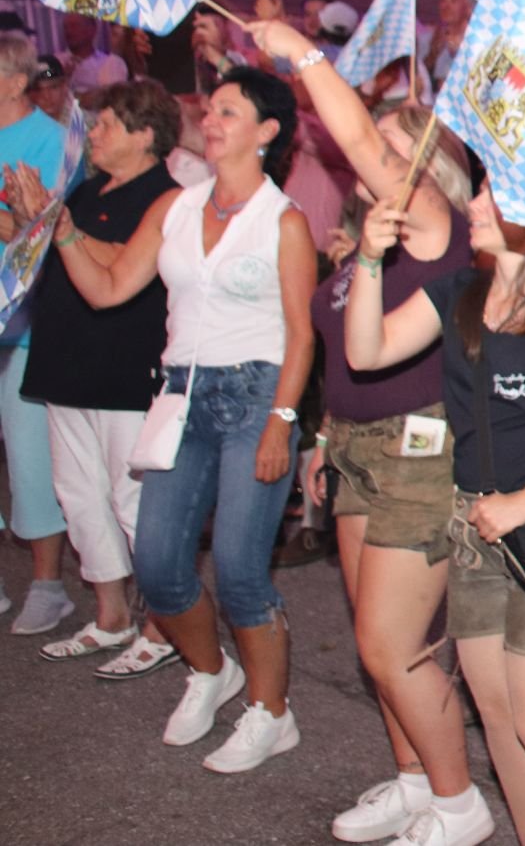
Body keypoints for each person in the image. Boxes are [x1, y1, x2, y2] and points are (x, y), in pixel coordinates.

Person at [245, 18, 491, 844]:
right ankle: (416, 782)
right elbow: (342, 354)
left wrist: (303, 54)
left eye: (391, 146)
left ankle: (459, 804)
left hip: (418, 450)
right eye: (373, 141)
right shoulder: (371, 242)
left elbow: (350, 136)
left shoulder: (437, 228)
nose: (370, 156)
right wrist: (322, 435)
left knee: (392, 646)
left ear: (431, 167)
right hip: (355, 447)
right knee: (373, 638)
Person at [39, 68, 316, 770]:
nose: (211, 120)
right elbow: (109, 288)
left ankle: (271, 712)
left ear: (267, 131)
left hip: (256, 395)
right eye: (210, 109)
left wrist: (281, 420)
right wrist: (63, 231)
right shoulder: (177, 206)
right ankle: (210, 670)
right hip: (180, 396)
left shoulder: (283, 220)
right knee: (159, 564)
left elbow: (301, 333)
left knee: (240, 570)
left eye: (229, 111)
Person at [345, 183, 525, 846]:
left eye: (489, 197)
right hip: (477, 531)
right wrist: (367, 260)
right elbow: (366, 351)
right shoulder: (457, 295)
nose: (472, 207)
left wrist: (522, 504)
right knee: (501, 720)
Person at [10, 82, 180, 677]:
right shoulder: (85, 189)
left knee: (134, 503)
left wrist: (58, 227)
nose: (93, 134)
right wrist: (27, 216)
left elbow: (123, 264)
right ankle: (112, 616)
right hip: (66, 361)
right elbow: (47, 247)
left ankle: (164, 625)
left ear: (146, 135)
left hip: (123, 369)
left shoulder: (166, 198)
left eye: (107, 124)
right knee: (79, 495)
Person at [0, 31, 76, 636]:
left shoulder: (53, 142)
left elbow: (41, 230)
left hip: (24, 324)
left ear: (16, 81)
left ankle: (49, 586)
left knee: (29, 457)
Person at [420, 0, 473, 90]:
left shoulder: (475, 40)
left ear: (467, 7)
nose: (445, 6)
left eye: (453, 1)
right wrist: (433, 54)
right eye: (443, 0)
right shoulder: (429, 40)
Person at [59, 12, 130, 95]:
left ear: (92, 30)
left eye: (74, 26)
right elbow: (46, 79)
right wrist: (61, 76)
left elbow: (117, 97)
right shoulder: (56, 61)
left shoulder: (112, 63)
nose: (69, 31)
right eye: (65, 27)